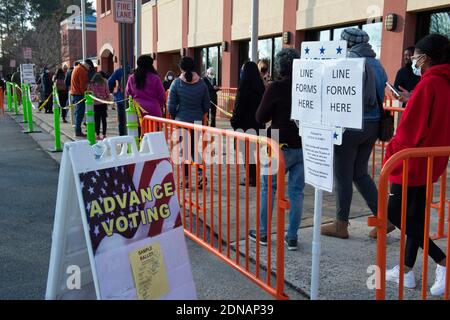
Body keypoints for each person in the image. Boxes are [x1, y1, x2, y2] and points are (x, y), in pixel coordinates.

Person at [383, 34, 450, 297]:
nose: (414, 62)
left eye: (416, 57)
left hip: (410, 161)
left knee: (395, 213)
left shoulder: (429, 84)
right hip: (431, 161)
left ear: (427, 58)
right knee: (415, 216)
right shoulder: (444, 83)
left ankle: (443, 262)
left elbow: (410, 131)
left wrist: (391, 152)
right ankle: (406, 270)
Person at [321, 28, 389, 239]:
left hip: (349, 126)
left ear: (347, 44)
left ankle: (341, 224)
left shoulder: (349, 61)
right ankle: (384, 219)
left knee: (343, 176)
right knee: (360, 173)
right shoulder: (377, 64)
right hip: (373, 125)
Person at [248, 48, 305, 251]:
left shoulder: (276, 87)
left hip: (277, 143)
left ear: (279, 66)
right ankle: (292, 236)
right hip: (303, 145)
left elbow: (260, 117)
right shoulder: (308, 86)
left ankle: (263, 233)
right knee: (297, 191)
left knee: (268, 187)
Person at [168, 56, 210, 189]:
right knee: (194, 149)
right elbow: (206, 104)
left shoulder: (176, 83)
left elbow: (171, 106)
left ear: (181, 68)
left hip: (182, 121)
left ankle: (185, 180)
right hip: (197, 120)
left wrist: (176, 116)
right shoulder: (202, 83)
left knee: (185, 151)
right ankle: (200, 175)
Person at [230, 61, 265, 187]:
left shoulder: (243, 87)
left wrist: (234, 121)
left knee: (246, 153)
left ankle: (251, 177)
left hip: (244, 126)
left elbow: (239, 107)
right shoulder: (261, 87)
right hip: (257, 124)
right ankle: (253, 176)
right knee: (254, 153)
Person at [71, 59, 94, 137]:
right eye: (89, 67)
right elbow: (83, 85)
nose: (89, 69)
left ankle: (77, 130)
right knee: (79, 113)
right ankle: (78, 131)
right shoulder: (82, 71)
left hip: (75, 93)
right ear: (87, 65)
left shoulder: (77, 68)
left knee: (77, 113)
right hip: (79, 94)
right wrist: (86, 92)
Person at [88, 73, 111, 140]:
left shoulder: (91, 84)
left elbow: (89, 93)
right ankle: (104, 134)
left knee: (97, 120)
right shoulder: (104, 83)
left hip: (95, 104)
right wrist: (108, 100)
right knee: (104, 119)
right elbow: (107, 92)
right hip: (103, 103)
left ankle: (97, 134)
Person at [108, 65, 128, 136]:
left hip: (121, 98)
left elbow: (110, 81)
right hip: (132, 98)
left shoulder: (118, 71)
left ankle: (122, 136)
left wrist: (111, 90)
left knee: (121, 119)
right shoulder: (132, 71)